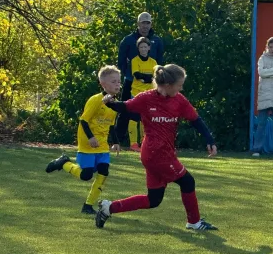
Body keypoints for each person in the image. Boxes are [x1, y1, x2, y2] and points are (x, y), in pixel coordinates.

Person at [95, 64, 218, 231]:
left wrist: (209, 139)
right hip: (157, 154)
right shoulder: (146, 98)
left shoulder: (179, 100)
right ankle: (194, 222)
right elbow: (125, 107)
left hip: (158, 154)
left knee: (153, 200)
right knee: (187, 182)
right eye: (179, 84)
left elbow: (196, 120)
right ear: (168, 85)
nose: (181, 88)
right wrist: (110, 102)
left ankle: (109, 208)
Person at [45, 66, 122, 214]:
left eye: (119, 81)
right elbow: (84, 121)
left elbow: (111, 125)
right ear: (103, 84)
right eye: (113, 82)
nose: (117, 84)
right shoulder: (95, 100)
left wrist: (116, 142)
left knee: (103, 171)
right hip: (88, 143)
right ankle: (64, 163)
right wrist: (91, 137)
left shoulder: (114, 103)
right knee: (86, 175)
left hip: (102, 145)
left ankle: (88, 205)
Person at [118, 12, 164, 101]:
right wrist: (128, 74)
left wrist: (155, 77)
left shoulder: (157, 40)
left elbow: (160, 60)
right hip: (131, 81)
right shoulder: (128, 40)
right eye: (143, 22)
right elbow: (121, 60)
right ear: (138, 23)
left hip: (150, 82)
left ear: (151, 24)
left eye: (148, 23)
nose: (145, 26)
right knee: (125, 109)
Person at [128, 37, 157, 152]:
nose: (143, 49)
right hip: (136, 93)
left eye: (145, 47)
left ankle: (144, 143)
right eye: (141, 47)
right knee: (134, 118)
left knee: (145, 119)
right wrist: (147, 78)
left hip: (149, 94)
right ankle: (133, 143)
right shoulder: (135, 60)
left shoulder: (153, 62)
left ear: (149, 48)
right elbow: (137, 75)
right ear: (138, 49)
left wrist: (147, 79)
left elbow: (155, 77)